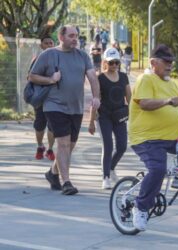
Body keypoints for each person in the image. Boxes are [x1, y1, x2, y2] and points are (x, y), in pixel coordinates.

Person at [129, 44, 178, 231]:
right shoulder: (146, 79)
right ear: (153, 62)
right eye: (166, 62)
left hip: (171, 135)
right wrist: (167, 101)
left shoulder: (171, 84)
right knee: (158, 169)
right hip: (146, 138)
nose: (170, 66)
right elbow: (145, 104)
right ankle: (140, 207)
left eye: (171, 62)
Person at [29, 25, 100, 195]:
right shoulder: (48, 54)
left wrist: (96, 97)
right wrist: (51, 79)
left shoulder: (82, 56)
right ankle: (66, 182)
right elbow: (32, 76)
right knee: (63, 143)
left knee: (71, 144)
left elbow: (92, 77)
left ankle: (53, 173)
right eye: (71, 36)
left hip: (76, 107)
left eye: (76, 35)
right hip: (54, 106)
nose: (75, 39)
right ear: (61, 37)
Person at [88, 48, 131, 189]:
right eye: (111, 62)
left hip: (119, 116)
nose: (114, 65)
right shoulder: (100, 78)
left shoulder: (124, 77)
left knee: (122, 146)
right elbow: (95, 100)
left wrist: (132, 114)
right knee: (108, 146)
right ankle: (105, 177)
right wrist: (91, 121)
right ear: (105, 62)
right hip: (104, 116)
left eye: (116, 62)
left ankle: (111, 168)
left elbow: (129, 97)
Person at [31, 36, 56, 161]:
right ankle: (40, 146)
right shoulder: (37, 60)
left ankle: (50, 149)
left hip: (55, 98)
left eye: (51, 43)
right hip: (40, 97)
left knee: (52, 125)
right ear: (41, 46)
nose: (49, 45)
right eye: (46, 43)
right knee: (40, 125)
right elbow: (30, 77)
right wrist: (48, 80)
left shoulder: (59, 59)